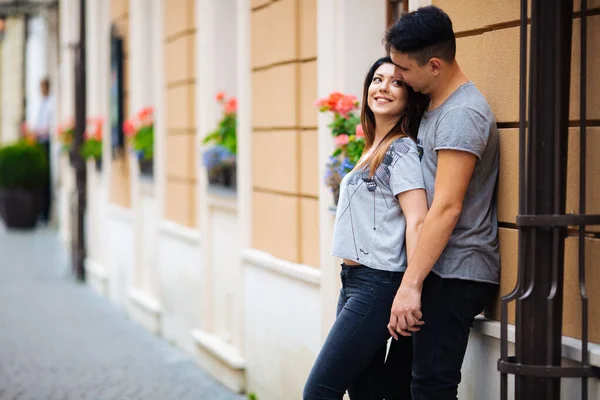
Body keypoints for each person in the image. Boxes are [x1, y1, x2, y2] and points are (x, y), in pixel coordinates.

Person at [384, 6, 501, 399]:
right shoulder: (435, 106)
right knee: (400, 380)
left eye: (403, 68)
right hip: (435, 268)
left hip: (455, 273)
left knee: (431, 387)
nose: (397, 76)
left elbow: (447, 207)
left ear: (434, 65)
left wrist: (410, 285)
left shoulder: (462, 114)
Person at [303, 56, 429, 400]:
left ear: (409, 97)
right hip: (355, 282)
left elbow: (417, 219)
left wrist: (411, 288)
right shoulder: (372, 147)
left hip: (378, 284)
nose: (383, 87)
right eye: (377, 79)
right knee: (366, 393)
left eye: (396, 82)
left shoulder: (400, 149)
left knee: (319, 391)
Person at [33, 77, 54, 224]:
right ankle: (41, 211)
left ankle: (46, 212)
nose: (41, 90)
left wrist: (38, 132)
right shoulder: (42, 103)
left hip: (47, 142)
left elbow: (49, 126)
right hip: (40, 141)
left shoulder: (51, 103)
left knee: (46, 177)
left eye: (43, 87)